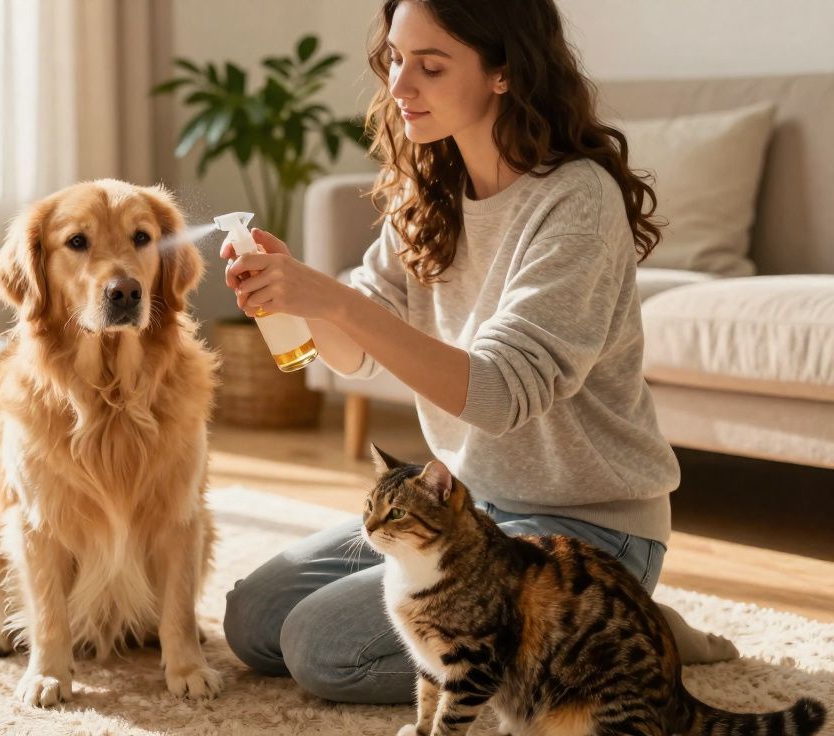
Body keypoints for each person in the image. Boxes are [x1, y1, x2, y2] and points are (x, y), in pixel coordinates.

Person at [219, 0, 739, 705]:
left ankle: (612, 624)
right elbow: (353, 356)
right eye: (396, 60)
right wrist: (301, 299)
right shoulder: (430, 190)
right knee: (253, 620)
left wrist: (335, 300)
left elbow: (495, 395)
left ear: (503, 72)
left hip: (584, 529)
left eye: (430, 67)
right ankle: (582, 629)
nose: (400, 87)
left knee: (323, 649)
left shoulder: (575, 202)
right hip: (466, 508)